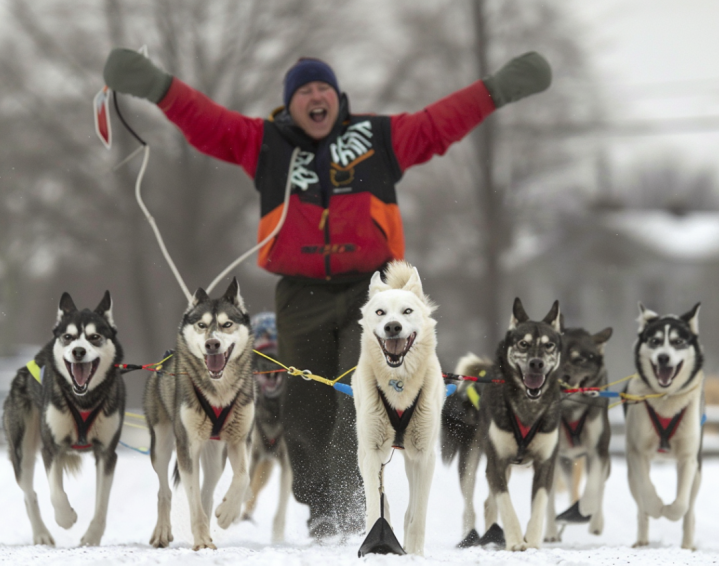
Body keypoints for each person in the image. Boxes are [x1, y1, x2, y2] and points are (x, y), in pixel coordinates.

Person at [103, 47, 551, 539]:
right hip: (300, 292)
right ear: (289, 106)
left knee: (355, 394)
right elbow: (208, 123)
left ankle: (351, 505)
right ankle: (321, 507)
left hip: (370, 290)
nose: (316, 97)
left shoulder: (379, 138)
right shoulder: (266, 143)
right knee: (305, 402)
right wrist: (156, 85)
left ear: (338, 99)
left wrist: (498, 87)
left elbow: (440, 121)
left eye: (323, 89)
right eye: (304, 92)